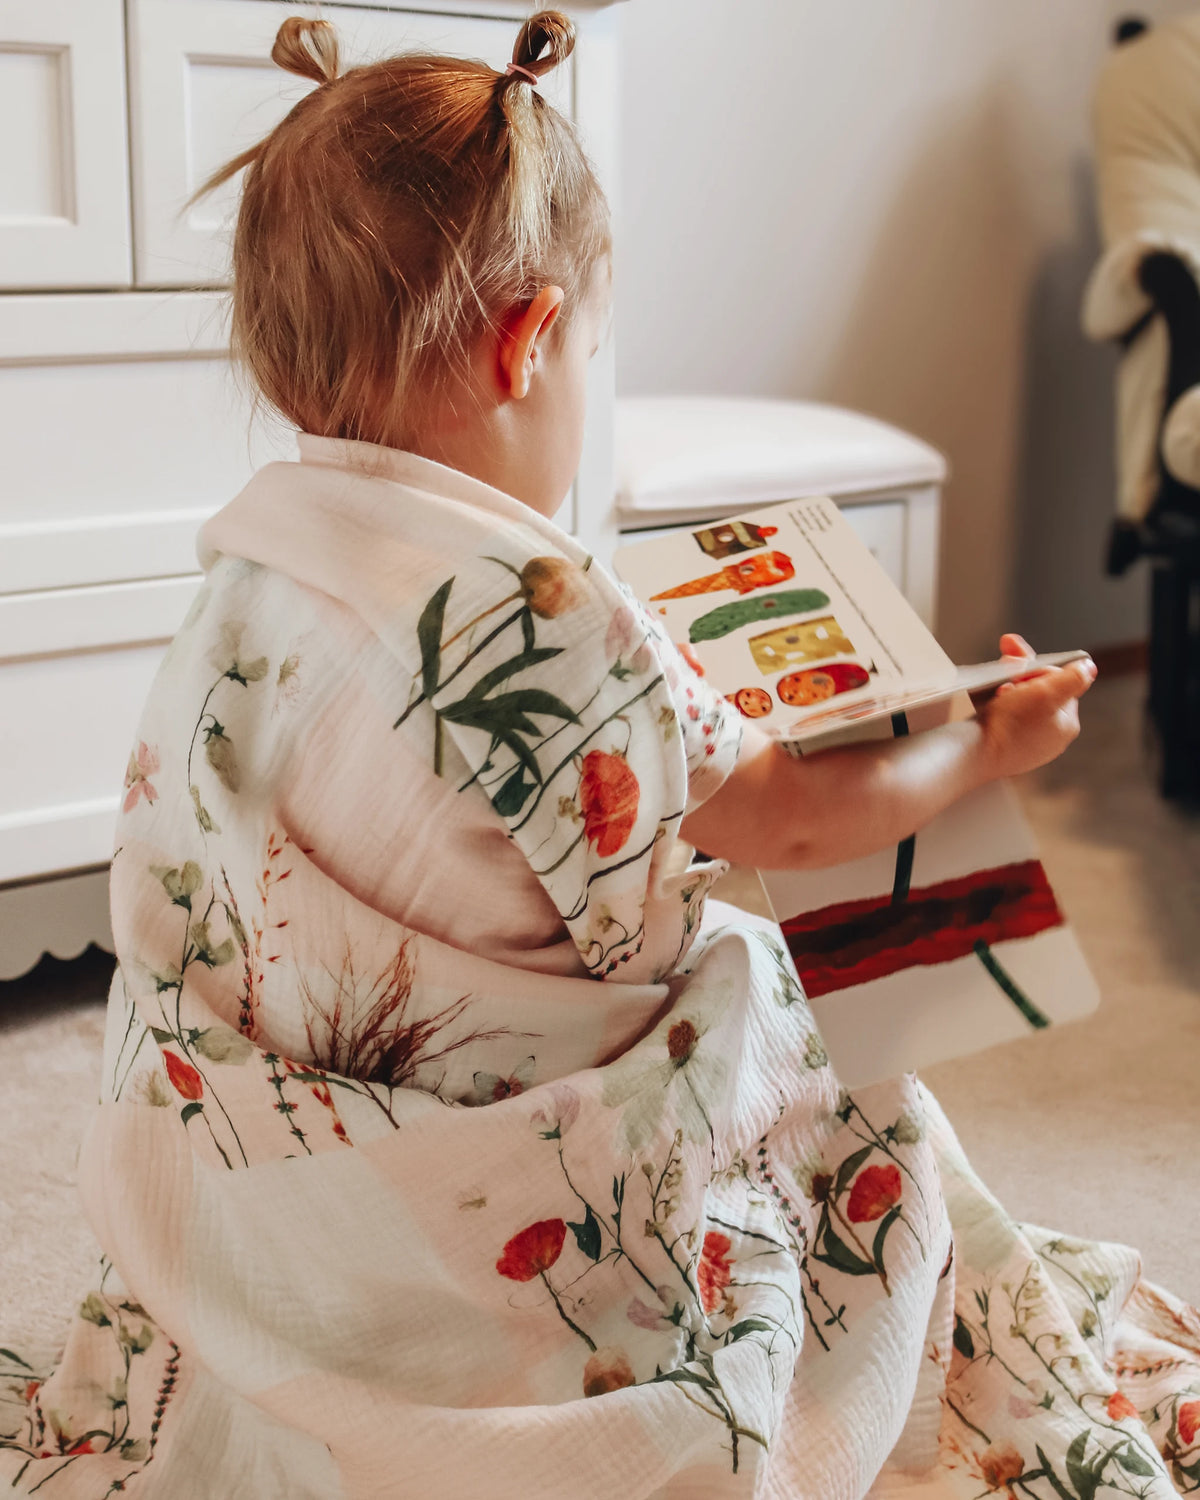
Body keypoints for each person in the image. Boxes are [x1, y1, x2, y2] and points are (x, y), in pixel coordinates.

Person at [2, 13, 1197, 1498]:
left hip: (242, 1166)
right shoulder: (546, 616)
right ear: (528, 340)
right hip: (490, 1161)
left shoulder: (247, 578)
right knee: (776, 990)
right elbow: (797, 816)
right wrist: (978, 749)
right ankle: (882, 1314)